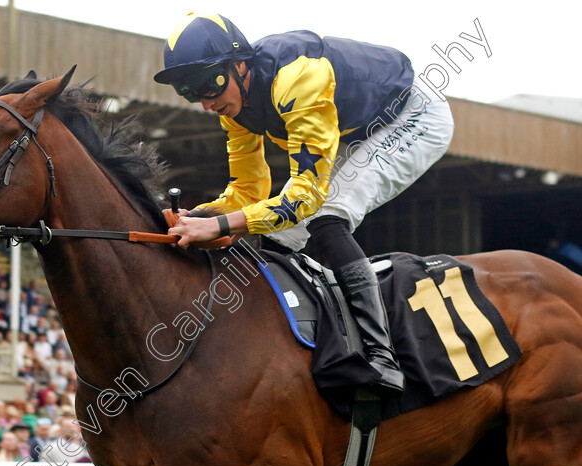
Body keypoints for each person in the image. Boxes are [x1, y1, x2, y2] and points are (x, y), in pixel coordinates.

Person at [153, 12, 455, 394]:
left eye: (207, 85)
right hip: (356, 131)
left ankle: (381, 358)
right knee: (280, 238)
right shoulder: (234, 106)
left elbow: (305, 197)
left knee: (327, 215)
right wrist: (197, 217)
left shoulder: (298, 78)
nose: (205, 103)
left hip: (412, 115)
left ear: (240, 65)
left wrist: (218, 226)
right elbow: (247, 191)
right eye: (189, 91)